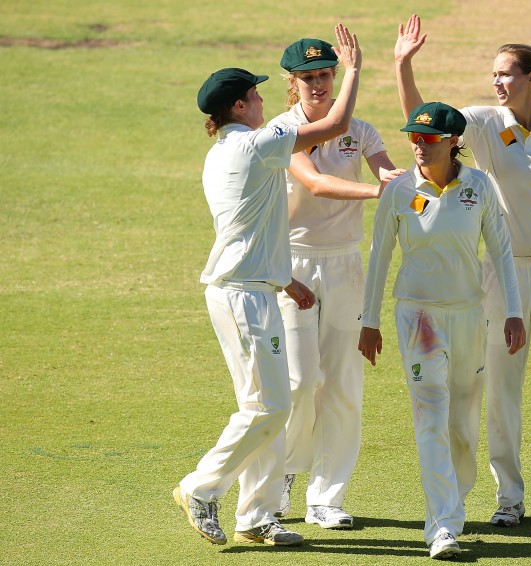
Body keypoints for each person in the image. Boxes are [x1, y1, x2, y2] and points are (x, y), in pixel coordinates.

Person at [394, 15, 531, 528]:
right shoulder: (482, 122)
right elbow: (424, 122)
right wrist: (403, 65)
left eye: (505, 74)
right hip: (501, 273)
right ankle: (509, 496)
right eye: (493, 74)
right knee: (502, 385)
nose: (497, 82)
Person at [172, 24, 363, 547]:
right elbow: (337, 123)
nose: (263, 101)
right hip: (242, 295)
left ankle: (256, 516)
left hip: (256, 287)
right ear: (238, 107)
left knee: (266, 407)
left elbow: (254, 228)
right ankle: (200, 488)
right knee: (270, 406)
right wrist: (351, 70)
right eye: (255, 95)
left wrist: (286, 279)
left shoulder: (231, 149)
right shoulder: (255, 145)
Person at [358, 101, 526, 559]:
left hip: (469, 315)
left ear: (454, 142)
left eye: (429, 138)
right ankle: (443, 525)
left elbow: (501, 251)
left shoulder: (479, 186)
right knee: (431, 416)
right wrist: (369, 321)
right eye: (414, 137)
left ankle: (454, 499)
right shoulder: (399, 191)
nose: (419, 145)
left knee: (463, 424)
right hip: (419, 318)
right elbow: (379, 255)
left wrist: (513, 311)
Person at [266, 37, 404, 530]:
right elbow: (316, 183)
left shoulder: (360, 131)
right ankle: (283, 473)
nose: (318, 84)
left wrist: (411, 183)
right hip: (294, 266)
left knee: (343, 384)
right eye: (308, 78)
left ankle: (326, 498)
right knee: (301, 382)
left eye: (326, 74)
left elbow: (389, 172)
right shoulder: (281, 130)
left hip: (345, 264)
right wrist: (379, 191)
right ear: (292, 82)